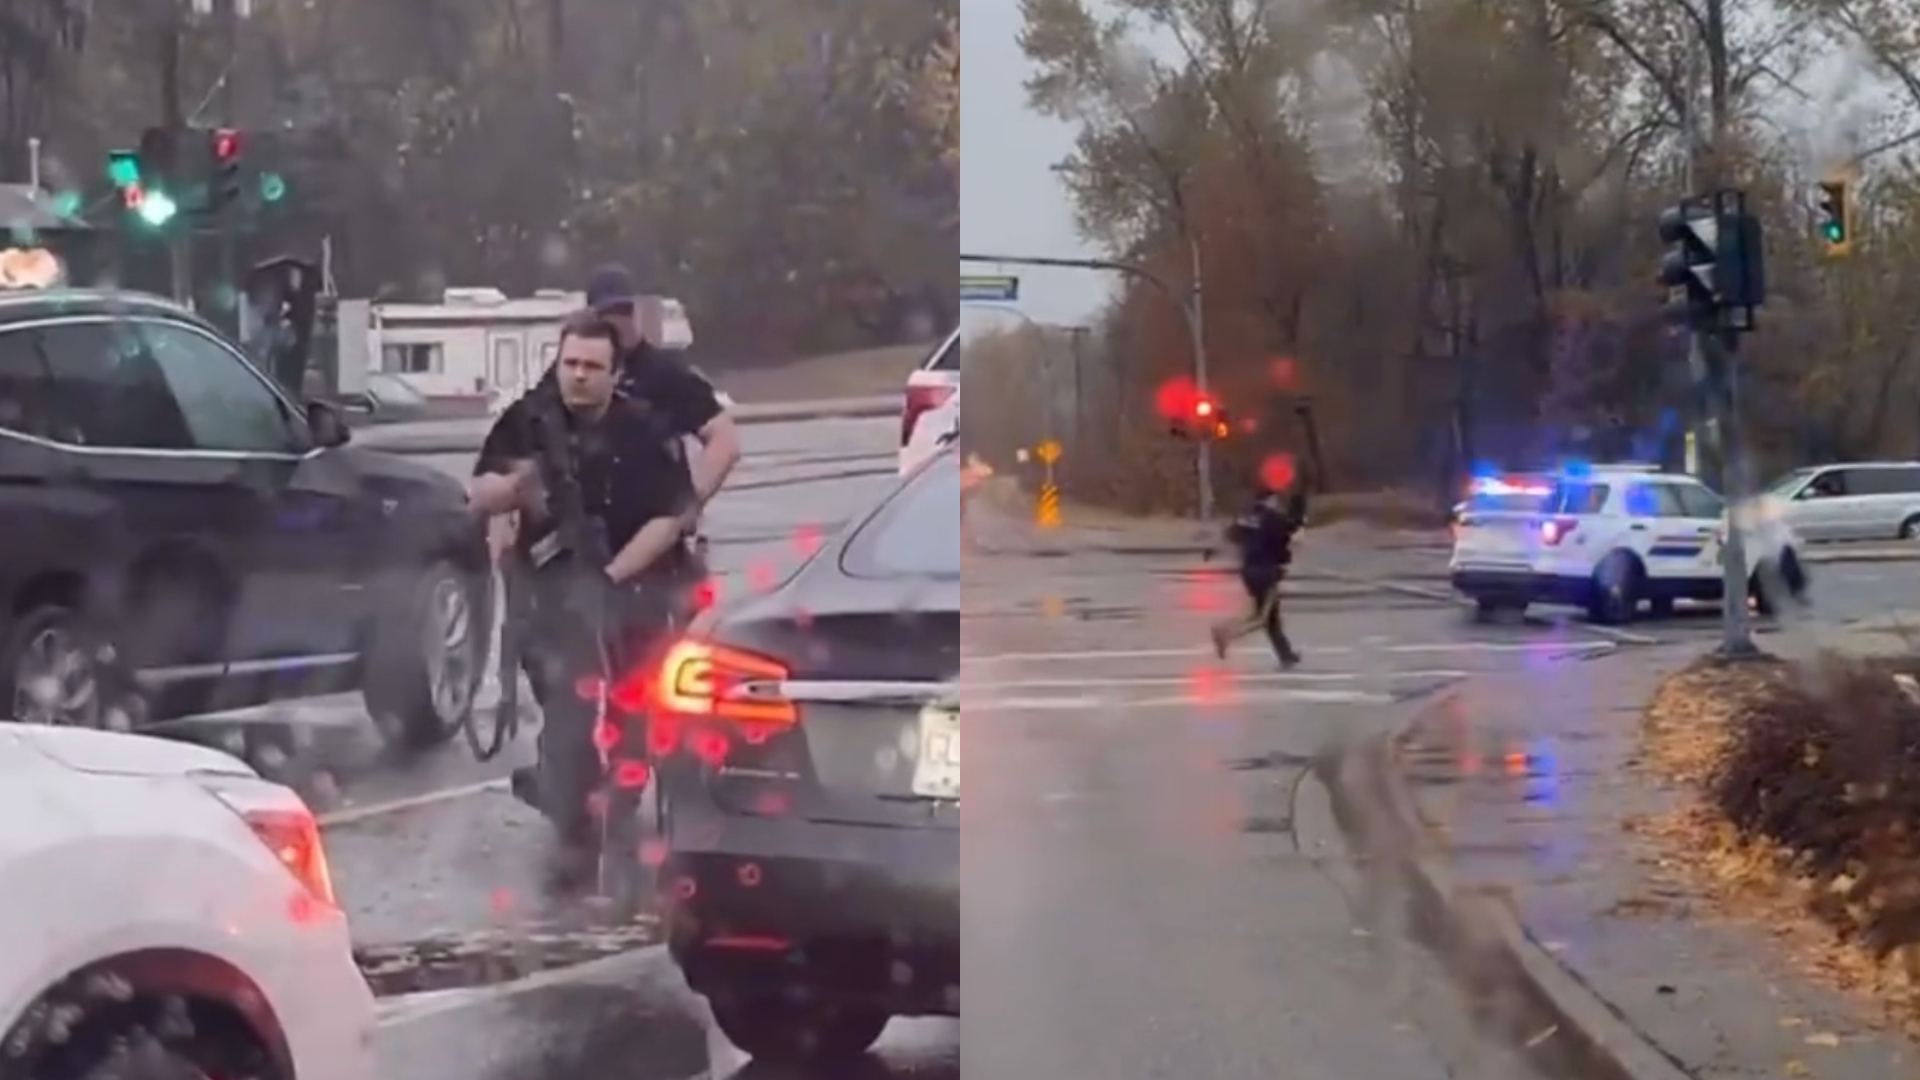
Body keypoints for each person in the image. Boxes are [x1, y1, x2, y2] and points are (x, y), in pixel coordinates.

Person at [468, 310, 698, 880]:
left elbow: (671, 517)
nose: (577, 375)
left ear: (613, 373)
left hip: (635, 584)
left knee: (633, 713)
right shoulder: (528, 421)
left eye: (592, 366)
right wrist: (519, 487)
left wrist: (614, 577)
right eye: (569, 363)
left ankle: (618, 815)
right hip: (552, 594)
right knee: (567, 720)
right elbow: (479, 494)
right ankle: (569, 811)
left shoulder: (643, 429)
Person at [1209, 481, 1308, 668]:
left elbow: (1230, 536)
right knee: (1261, 617)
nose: (1277, 503)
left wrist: (1213, 552)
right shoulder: (1274, 519)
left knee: (1271, 617)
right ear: (1270, 500)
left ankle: (1286, 655)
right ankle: (1224, 633)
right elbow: (1288, 540)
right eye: (1275, 499)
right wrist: (1298, 526)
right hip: (1267, 572)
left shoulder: (1248, 518)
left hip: (1249, 572)